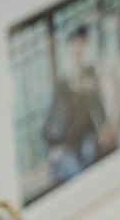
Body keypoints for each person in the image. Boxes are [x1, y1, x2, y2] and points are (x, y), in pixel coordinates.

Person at [43, 27, 112, 182]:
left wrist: (104, 127)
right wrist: (54, 147)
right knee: (75, 170)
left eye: (82, 45)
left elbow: (99, 109)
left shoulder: (91, 76)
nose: (78, 51)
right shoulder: (62, 84)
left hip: (87, 141)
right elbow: (48, 126)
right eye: (75, 46)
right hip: (66, 147)